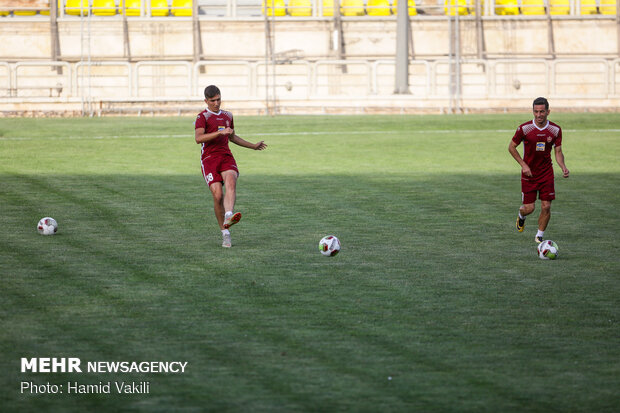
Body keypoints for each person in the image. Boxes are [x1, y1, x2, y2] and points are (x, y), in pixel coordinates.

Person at [195, 85, 267, 248]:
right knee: (218, 195)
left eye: (219, 99)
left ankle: (229, 215)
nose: (216, 103)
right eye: (213, 100)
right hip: (209, 159)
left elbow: (232, 137)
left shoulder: (228, 115)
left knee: (231, 180)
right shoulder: (203, 117)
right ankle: (225, 233)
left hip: (225, 155)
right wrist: (219, 133)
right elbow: (198, 138)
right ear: (206, 101)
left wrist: (253, 146)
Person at [508, 97, 569, 244]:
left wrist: (563, 166)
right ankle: (521, 216)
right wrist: (524, 165)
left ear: (548, 111)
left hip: (546, 173)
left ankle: (539, 236)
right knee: (529, 208)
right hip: (529, 174)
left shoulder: (555, 130)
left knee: (546, 206)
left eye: (542, 112)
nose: (539, 115)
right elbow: (511, 147)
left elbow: (558, 151)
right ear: (533, 111)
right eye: (536, 111)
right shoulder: (524, 129)